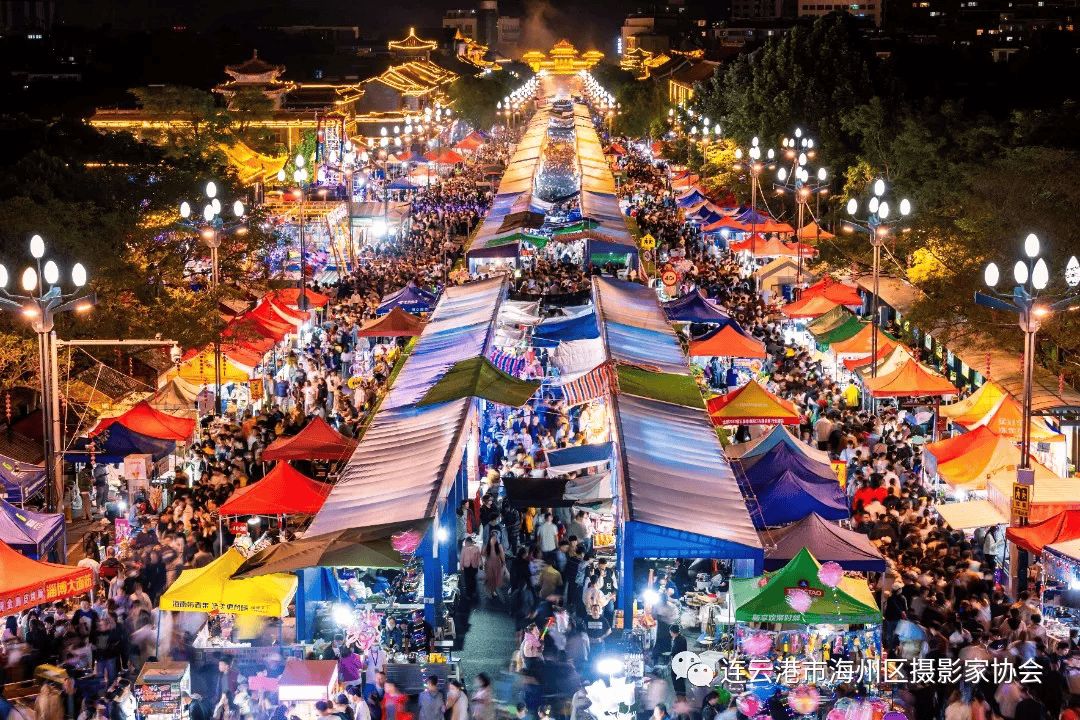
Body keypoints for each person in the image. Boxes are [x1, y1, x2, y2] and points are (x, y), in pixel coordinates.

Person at [483, 536, 506, 601]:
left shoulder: (498, 546)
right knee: (491, 578)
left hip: (496, 565)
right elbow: (484, 554)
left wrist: (503, 562)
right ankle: (491, 591)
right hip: (490, 565)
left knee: (495, 578)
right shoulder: (488, 547)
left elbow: (502, 555)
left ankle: (492, 591)